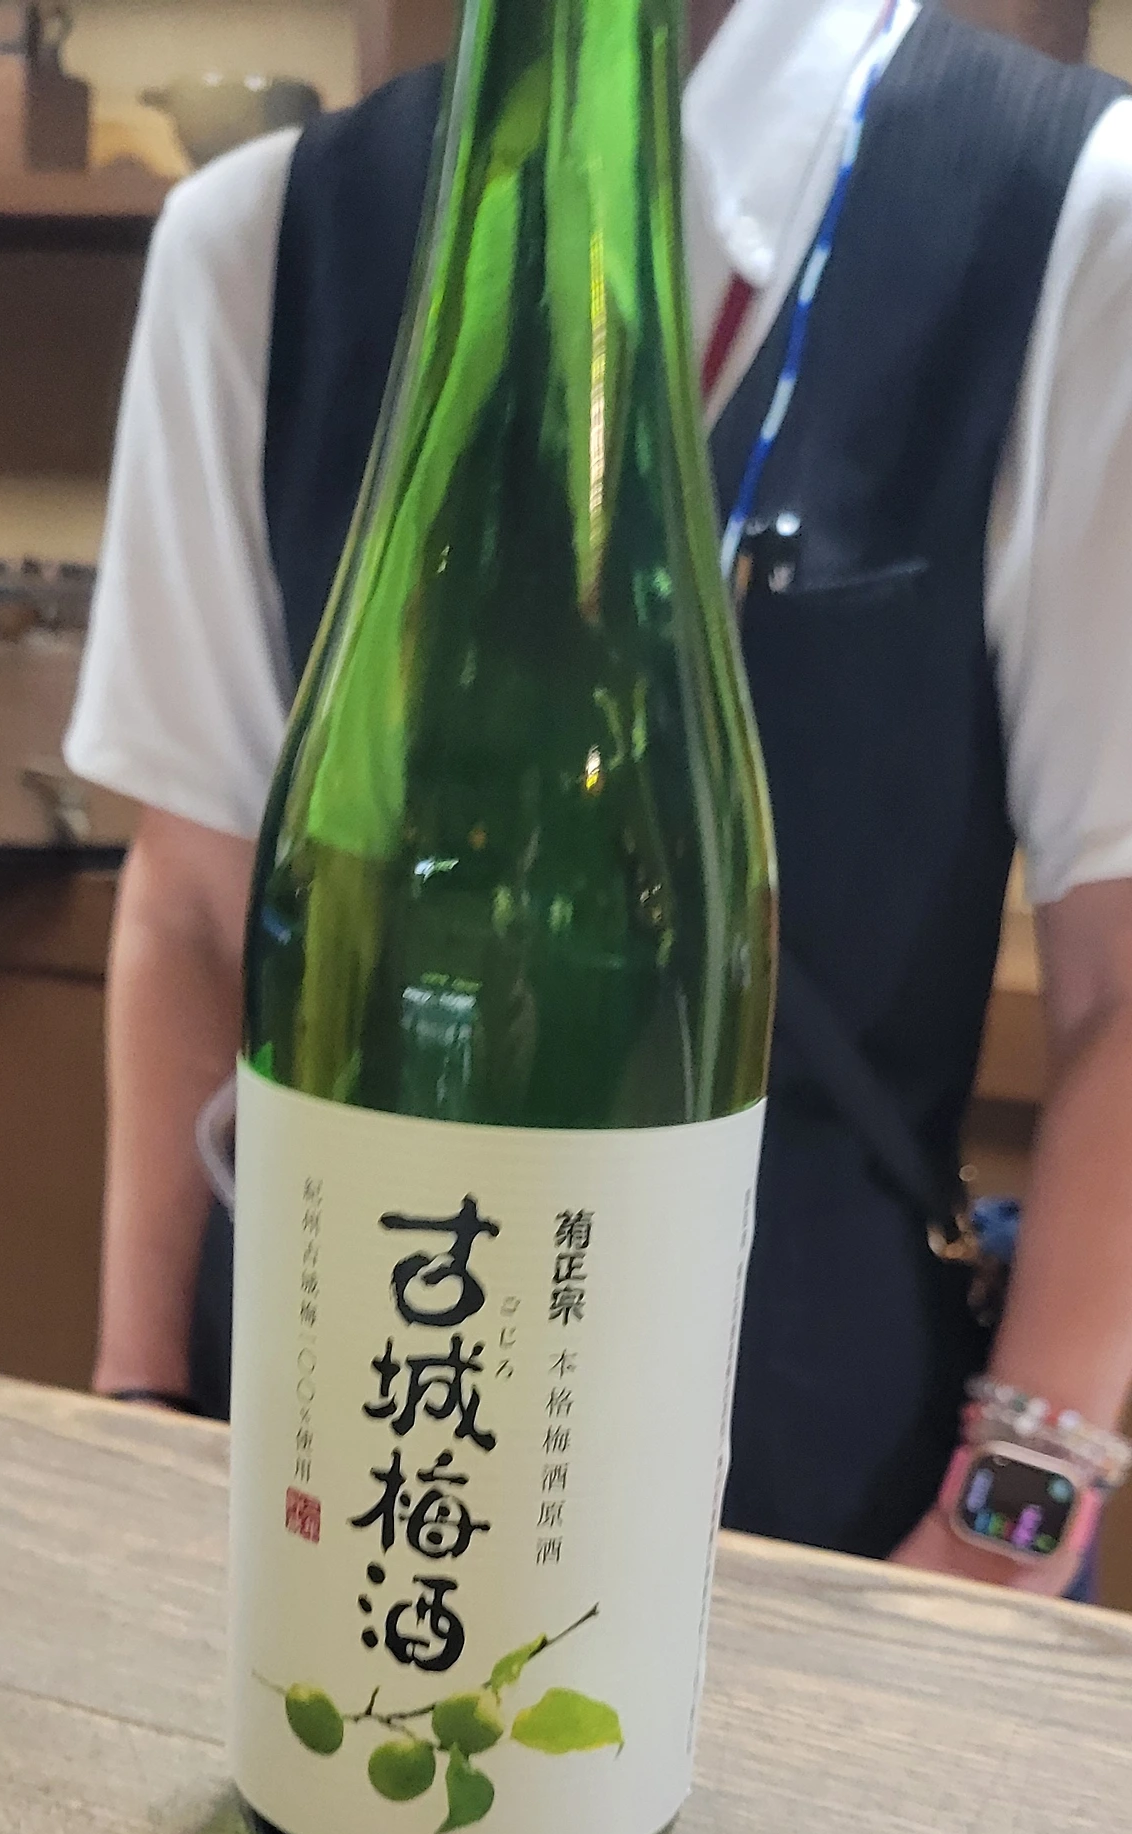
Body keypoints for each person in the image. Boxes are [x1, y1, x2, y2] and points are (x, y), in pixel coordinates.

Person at [67, 0, 1132, 1595]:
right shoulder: (264, 236)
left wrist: (998, 1537)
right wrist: (142, 1404)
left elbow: (1120, 982)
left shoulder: (1067, 208)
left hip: (820, 1512)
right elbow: (196, 903)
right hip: (313, 1459)